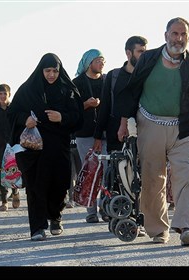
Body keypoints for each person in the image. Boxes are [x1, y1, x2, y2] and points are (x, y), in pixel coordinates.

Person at [117, 17, 189, 246]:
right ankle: (158, 230)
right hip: (150, 125)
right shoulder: (149, 59)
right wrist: (123, 123)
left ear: (188, 38)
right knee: (153, 179)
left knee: (188, 177)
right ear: (166, 35)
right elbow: (132, 91)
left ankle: (186, 227)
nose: (178, 39)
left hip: (184, 128)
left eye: (183, 35)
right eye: (174, 34)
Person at [7, 53, 83, 241]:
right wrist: (25, 119)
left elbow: (78, 116)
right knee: (35, 186)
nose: (51, 75)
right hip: (34, 149)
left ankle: (55, 216)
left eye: (55, 71)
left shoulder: (68, 90)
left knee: (60, 185)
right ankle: (37, 227)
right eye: (47, 70)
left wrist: (62, 117)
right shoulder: (28, 90)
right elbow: (12, 113)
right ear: (41, 70)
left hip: (59, 146)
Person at [92, 35, 148, 236]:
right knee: (119, 178)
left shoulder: (147, 75)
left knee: (139, 178)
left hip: (144, 132)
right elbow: (105, 107)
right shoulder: (114, 76)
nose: (143, 55)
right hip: (117, 134)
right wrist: (98, 137)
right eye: (140, 51)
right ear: (129, 53)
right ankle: (121, 217)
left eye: (144, 51)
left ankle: (139, 219)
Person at [73, 49, 108, 223]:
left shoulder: (107, 80)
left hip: (106, 134)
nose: (102, 63)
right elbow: (71, 109)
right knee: (89, 171)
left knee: (108, 171)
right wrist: (85, 104)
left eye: (103, 60)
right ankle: (91, 210)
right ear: (89, 62)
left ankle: (106, 207)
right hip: (85, 133)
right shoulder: (77, 83)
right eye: (98, 60)